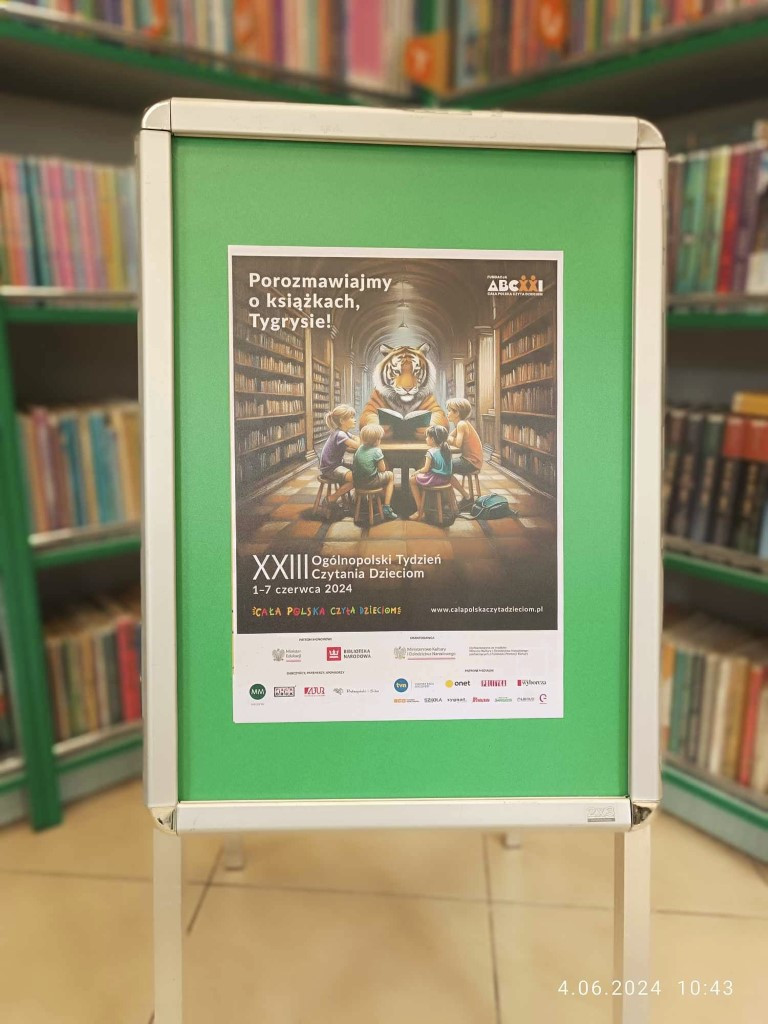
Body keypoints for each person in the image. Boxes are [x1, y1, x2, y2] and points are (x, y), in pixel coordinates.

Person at [409, 424, 466, 520]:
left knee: (412, 480)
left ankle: (420, 510)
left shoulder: (430, 452)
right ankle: (453, 507)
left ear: (433, 439)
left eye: (427, 437)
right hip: (447, 479)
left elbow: (425, 469)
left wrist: (417, 472)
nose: (426, 439)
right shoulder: (447, 449)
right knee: (423, 476)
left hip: (436, 479)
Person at [318, 405, 359, 516]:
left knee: (359, 471)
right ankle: (331, 498)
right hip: (330, 468)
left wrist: (356, 441)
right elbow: (357, 445)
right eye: (351, 417)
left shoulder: (343, 432)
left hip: (334, 465)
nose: (355, 420)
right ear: (342, 421)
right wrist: (358, 441)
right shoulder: (340, 434)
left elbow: (353, 443)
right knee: (357, 478)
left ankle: (351, 499)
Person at [352, 423, 397, 522]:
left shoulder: (359, 449)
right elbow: (382, 469)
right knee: (390, 475)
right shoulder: (377, 451)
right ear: (377, 440)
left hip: (358, 482)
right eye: (379, 439)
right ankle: (387, 506)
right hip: (370, 482)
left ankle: (373, 500)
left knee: (374, 473)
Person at [446, 397, 483, 508]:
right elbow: (450, 436)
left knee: (444, 468)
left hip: (471, 462)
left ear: (457, 413)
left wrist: (449, 439)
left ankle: (466, 497)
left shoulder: (461, 424)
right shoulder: (462, 423)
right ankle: (453, 498)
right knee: (444, 467)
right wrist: (449, 438)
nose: (447, 413)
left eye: (449, 411)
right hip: (472, 460)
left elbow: (457, 444)